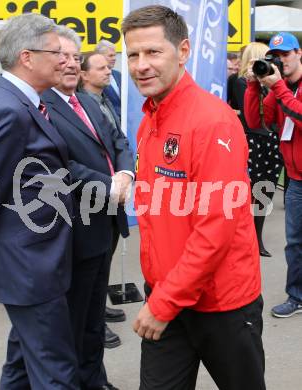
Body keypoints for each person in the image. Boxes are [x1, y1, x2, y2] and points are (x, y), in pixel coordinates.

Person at [122, 5, 265, 390]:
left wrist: (163, 302)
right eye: (133, 54)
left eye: (153, 52)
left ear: (183, 51)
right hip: (168, 297)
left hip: (222, 304)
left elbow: (215, 229)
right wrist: (162, 295)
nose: (141, 65)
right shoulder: (151, 117)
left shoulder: (212, 121)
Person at [0, 14, 79, 389]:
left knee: (23, 366)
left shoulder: (21, 101)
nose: (66, 60)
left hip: (38, 262)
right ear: (27, 57)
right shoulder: (7, 109)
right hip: (30, 268)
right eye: (55, 52)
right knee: (56, 373)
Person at [41, 26, 134, 390]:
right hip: (76, 226)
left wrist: (126, 171)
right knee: (76, 316)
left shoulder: (91, 103)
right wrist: (110, 184)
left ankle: (95, 378)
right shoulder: (41, 107)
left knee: (94, 314)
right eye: (61, 57)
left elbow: (118, 139)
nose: (68, 64)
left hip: (108, 221)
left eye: (74, 58)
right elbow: (58, 163)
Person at [244, 32, 302, 318]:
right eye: (276, 57)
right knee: (295, 243)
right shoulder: (280, 90)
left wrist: (278, 87)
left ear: (299, 53)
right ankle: (297, 296)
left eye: (286, 54)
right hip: (296, 181)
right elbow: (255, 121)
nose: (281, 61)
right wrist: (255, 87)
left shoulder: (287, 89)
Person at [79, 51, 128, 337]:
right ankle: (95, 324)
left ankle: (99, 310)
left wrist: (124, 173)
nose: (108, 71)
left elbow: (118, 138)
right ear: (84, 75)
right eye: (100, 68)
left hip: (113, 191)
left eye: (108, 66)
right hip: (92, 194)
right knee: (92, 264)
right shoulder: (79, 105)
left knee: (105, 255)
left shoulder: (105, 99)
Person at [231, 42, 283, 257]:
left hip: (270, 140)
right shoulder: (239, 81)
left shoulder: (270, 83)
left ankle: (256, 239)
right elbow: (250, 113)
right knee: (248, 191)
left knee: (265, 192)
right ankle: (245, 240)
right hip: (250, 141)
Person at [95, 40, 121, 119]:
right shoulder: (95, 77)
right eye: (110, 56)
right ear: (99, 56)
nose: (114, 58)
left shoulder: (118, 75)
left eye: (115, 55)